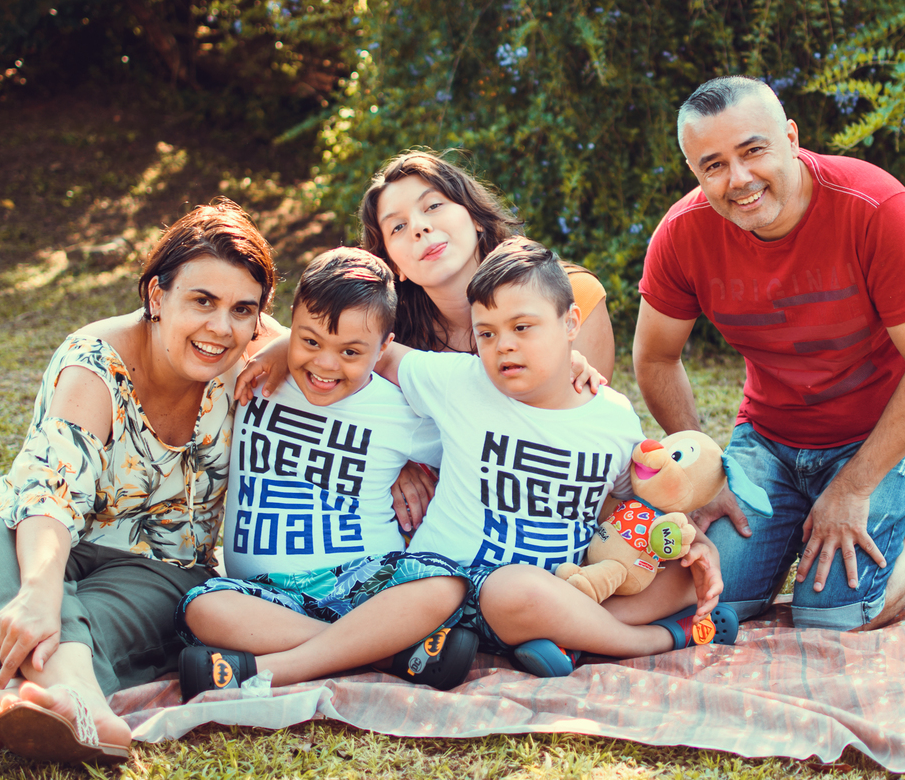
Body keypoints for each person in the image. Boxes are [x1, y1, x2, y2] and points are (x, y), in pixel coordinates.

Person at [0, 199, 280, 776]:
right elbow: (49, 493)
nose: (221, 327)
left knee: (85, 613)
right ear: (156, 297)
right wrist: (39, 589)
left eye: (243, 310)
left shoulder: (253, 356)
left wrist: (410, 459)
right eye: (202, 301)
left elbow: (349, 349)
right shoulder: (95, 365)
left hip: (159, 571)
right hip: (45, 545)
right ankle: (79, 707)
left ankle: (15, 698)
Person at [632, 75, 905, 633]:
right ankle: (794, 523)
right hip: (770, 440)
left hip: (878, 437)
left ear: (792, 139)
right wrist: (708, 476)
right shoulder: (683, 234)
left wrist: (852, 488)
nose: (739, 179)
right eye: (714, 165)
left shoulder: (875, 206)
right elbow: (656, 358)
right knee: (708, 596)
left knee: (836, 615)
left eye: (753, 151)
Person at [376, 239, 737, 677]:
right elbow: (377, 351)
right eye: (486, 333)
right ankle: (660, 636)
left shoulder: (612, 417)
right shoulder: (460, 381)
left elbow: (633, 507)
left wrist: (691, 545)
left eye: (522, 328)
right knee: (512, 590)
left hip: (573, 590)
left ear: (570, 324)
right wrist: (281, 345)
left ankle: (566, 634)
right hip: (462, 593)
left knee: (684, 571)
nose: (503, 345)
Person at [173, 248, 475, 698]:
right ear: (288, 326)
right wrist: (277, 349)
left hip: (365, 581)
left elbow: (475, 441)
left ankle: (273, 668)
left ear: (384, 348)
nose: (325, 365)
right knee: (203, 606)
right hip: (265, 594)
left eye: (351, 351)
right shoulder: (253, 378)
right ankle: (388, 654)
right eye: (309, 341)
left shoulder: (402, 413)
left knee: (445, 582)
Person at [358, 151, 617, 521]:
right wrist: (394, 463)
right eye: (397, 227)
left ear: (476, 218)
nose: (418, 227)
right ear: (394, 264)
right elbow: (335, 378)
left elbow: (572, 447)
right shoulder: (389, 335)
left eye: (432, 206)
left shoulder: (572, 298)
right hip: (439, 522)